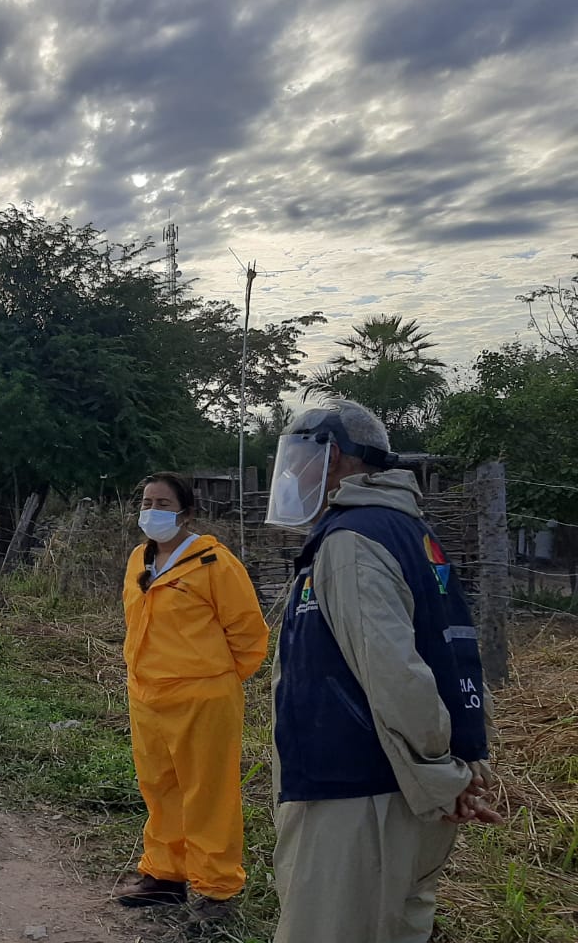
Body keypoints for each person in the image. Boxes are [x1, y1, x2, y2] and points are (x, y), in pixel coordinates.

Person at [266, 399, 500, 943]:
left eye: (302, 457)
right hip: (405, 792)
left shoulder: (352, 541)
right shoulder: (412, 533)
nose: (294, 472)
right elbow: (453, 661)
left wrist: (444, 778)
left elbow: (397, 676)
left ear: (339, 459)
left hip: (358, 798)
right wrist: (454, 772)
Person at [116, 472, 270, 918]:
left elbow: (248, 634)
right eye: (147, 502)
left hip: (202, 698)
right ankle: (165, 875)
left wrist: (214, 678)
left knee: (208, 793)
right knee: (159, 787)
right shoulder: (138, 560)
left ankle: (217, 889)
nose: (152, 510)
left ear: (186, 511)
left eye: (163, 502)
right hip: (147, 694)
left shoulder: (214, 564)